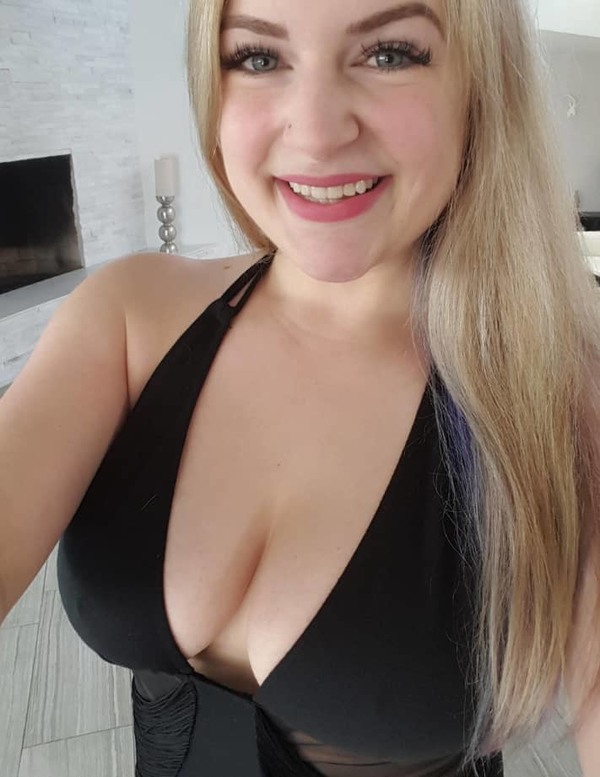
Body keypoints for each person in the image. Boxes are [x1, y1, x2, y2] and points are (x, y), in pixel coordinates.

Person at [1, 0, 600, 775]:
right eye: (258, 58)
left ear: (482, 88)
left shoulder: (567, 391)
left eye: (389, 53)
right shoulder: (127, 318)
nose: (315, 133)